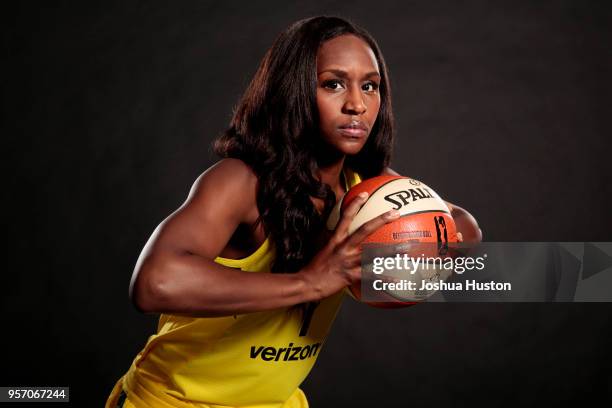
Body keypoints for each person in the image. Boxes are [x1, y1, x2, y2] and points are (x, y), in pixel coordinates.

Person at [105, 16, 481, 408]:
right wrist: (312, 282)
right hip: (172, 401)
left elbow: (463, 227)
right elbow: (153, 284)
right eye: (333, 84)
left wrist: (424, 251)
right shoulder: (242, 181)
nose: (357, 104)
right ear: (296, 91)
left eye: (370, 86)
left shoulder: (368, 189)